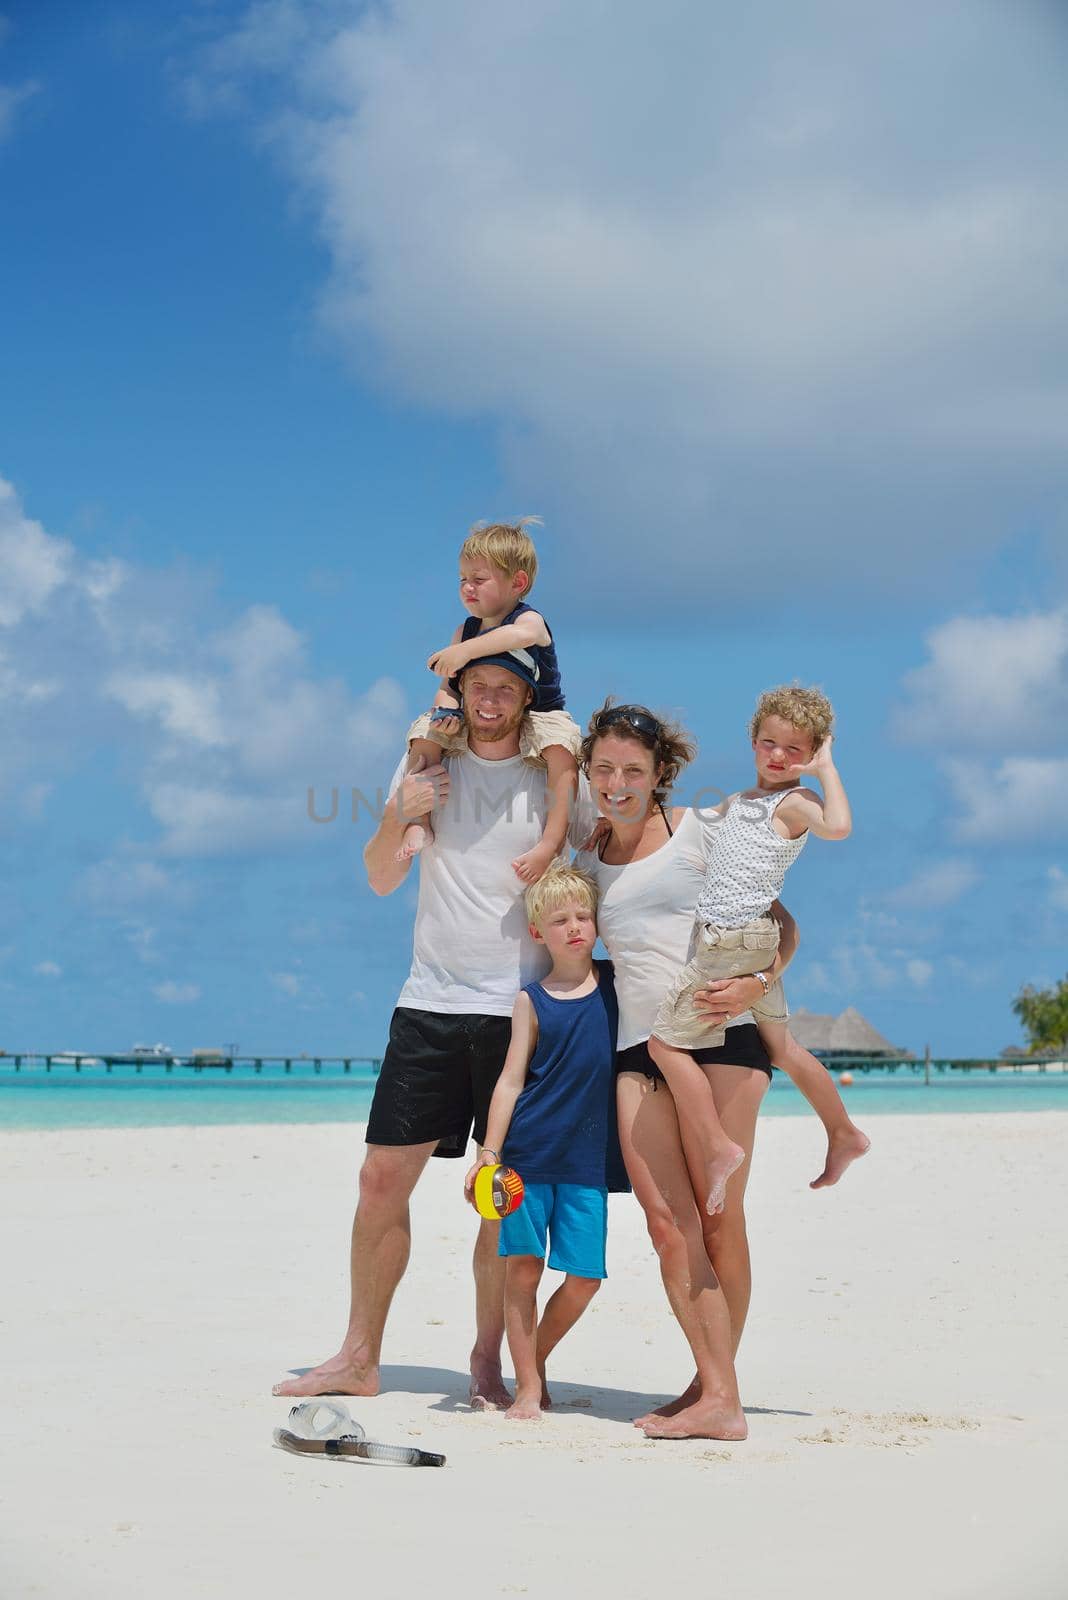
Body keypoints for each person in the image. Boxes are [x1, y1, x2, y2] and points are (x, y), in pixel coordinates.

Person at [273, 650, 593, 1407]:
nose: (490, 699)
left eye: (506, 687)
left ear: (526, 697)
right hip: (430, 1004)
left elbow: (598, 875)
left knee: (496, 1195)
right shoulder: (427, 762)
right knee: (380, 1179)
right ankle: (359, 1356)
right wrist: (400, 810)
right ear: (459, 692)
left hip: (522, 1008)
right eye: (477, 685)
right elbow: (383, 875)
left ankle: (487, 1362)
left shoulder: (552, 777)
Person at [576, 700, 849, 1440]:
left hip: (726, 1038)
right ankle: (715, 1386)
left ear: (662, 772)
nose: (616, 781)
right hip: (642, 1044)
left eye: (633, 769)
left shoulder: (703, 829)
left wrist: (760, 986)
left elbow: (780, 923)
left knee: (720, 1220)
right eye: (603, 768)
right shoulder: (587, 853)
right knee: (670, 1225)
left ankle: (715, 1391)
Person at [647, 685, 869, 1215]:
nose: (777, 756)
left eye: (795, 750)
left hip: (732, 940)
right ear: (752, 741)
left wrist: (826, 770)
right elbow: (693, 825)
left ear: (813, 752)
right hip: (755, 937)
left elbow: (838, 828)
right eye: (768, 743)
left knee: (662, 1044)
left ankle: (718, 1146)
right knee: (783, 1049)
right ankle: (843, 1132)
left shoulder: (797, 802)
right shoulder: (740, 802)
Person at [464, 862, 627, 1420]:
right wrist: (488, 1152)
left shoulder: (617, 984)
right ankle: (529, 1387)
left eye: (585, 916)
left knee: (584, 1277)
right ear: (539, 932)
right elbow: (511, 1080)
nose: (576, 926)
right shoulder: (530, 1000)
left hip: (589, 1158)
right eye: (561, 920)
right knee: (524, 1271)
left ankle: (532, 1359)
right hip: (528, 1157)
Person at [398, 518, 582, 884]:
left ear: (517, 583)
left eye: (479, 580)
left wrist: (464, 651)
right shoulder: (465, 628)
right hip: (482, 711)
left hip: (542, 712)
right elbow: (449, 686)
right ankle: (418, 822)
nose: (467, 587)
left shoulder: (528, 620)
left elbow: (517, 636)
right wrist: (447, 707)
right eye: (462, 579)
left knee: (562, 752)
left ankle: (551, 841)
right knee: (424, 729)